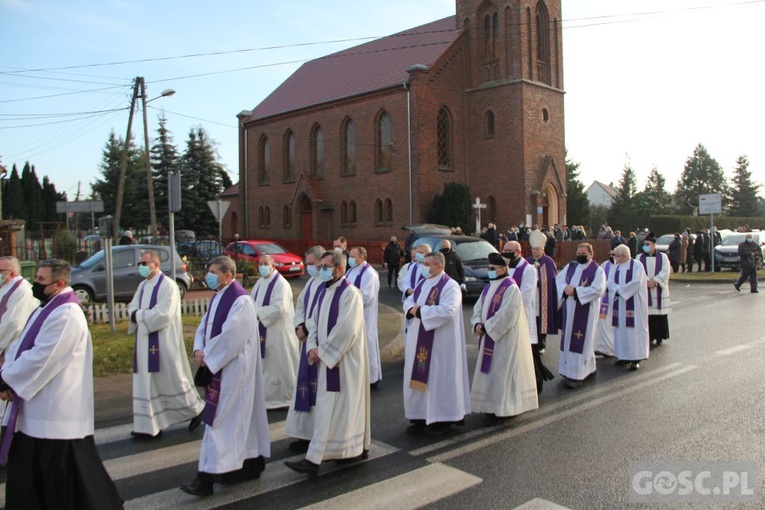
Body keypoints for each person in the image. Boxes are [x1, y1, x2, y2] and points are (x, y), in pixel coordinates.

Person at [0, 259, 122, 509]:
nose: (35, 283)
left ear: (60, 283)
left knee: (66, 483)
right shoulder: (46, 308)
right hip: (36, 409)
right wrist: (5, 371)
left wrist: (7, 379)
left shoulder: (67, 314)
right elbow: (18, 345)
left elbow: (42, 358)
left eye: (42, 280)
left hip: (55, 413)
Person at [181, 256, 270, 496]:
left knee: (219, 421)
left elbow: (232, 338)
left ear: (228, 275)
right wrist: (199, 348)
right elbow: (204, 325)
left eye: (212, 272)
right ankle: (251, 463)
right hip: (219, 366)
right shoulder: (219, 296)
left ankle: (206, 477)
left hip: (233, 371)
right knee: (239, 420)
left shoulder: (241, 301)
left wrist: (208, 356)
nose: (208, 276)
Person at [285, 250, 371, 477]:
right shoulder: (324, 291)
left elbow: (346, 330)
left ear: (339, 269)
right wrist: (312, 347)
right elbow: (312, 322)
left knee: (343, 408)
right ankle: (317, 457)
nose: (321, 270)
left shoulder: (350, 294)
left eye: (325, 266)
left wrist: (322, 352)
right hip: (325, 359)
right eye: (320, 266)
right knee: (326, 408)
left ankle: (347, 450)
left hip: (344, 363)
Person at [128, 250, 204, 439]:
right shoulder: (143, 286)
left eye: (145, 263)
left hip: (163, 341)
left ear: (156, 264)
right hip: (144, 340)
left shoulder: (168, 286)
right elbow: (132, 307)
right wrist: (137, 314)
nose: (142, 267)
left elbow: (163, 314)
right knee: (146, 381)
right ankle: (149, 425)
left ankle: (196, 409)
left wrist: (138, 315)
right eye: (141, 263)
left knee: (172, 378)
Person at [403, 252, 470, 435]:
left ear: (439, 266)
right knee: (420, 376)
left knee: (439, 378)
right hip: (419, 338)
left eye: (427, 264)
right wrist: (411, 309)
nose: (423, 267)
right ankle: (420, 414)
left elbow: (448, 310)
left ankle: (443, 418)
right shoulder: (423, 282)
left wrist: (420, 312)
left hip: (441, 342)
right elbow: (410, 300)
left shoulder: (450, 286)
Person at [471, 253, 538, 426]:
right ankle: (489, 405)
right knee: (490, 372)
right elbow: (478, 307)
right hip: (489, 336)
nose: (489, 271)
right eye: (489, 268)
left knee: (502, 372)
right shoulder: (489, 287)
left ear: (503, 269)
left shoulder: (511, 288)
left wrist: (487, 327)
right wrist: (477, 323)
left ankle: (504, 408)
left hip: (505, 339)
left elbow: (507, 315)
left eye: (492, 268)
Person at [285, 245, 325, 453]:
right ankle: (303, 432)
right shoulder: (311, 283)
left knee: (317, 388)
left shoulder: (328, 284)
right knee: (303, 386)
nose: (308, 267)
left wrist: (309, 331)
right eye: (307, 263)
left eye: (311, 264)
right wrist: (299, 326)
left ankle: (316, 433)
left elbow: (324, 314)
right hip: (306, 340)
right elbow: (299, 306)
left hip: (318, 344)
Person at [251, 254, 299, 409]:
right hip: (262, 330)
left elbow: (280, 308)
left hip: (279, 332)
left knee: (280, 364)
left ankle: (286, 398)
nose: (262, 266)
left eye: (265, 263)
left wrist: (257, 313)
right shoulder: (259, 282)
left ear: (273, 266)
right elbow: (252, 302)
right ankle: (267, 398)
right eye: (260, 263)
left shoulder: (281, 284)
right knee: (267, 365)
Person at [503, 241, 552, 394]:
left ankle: (535, 384)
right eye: (504, 250)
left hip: (521, 315)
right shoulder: (504, 267)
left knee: (528, 353)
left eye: (509, 250)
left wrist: (508, 310)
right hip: (505, 317)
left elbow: (526, 295)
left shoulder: (528, 269)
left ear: (518, 252)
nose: (506, 253)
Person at [555, 243, 606, 388]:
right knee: (567, 340)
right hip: (569, 308)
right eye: (578, 253)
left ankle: (578, 375)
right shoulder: (571, 266)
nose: (580, 256)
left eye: (583, 253)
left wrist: (576, 291)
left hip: (585, 310)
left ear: (591, 254)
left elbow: (598, 289)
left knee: (582, 342)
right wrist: (565, 288)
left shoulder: (597, 270)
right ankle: (568, 370)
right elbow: (559, 280)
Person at [608, 245, 650, 370]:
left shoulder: (637, 266)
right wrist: (617, 290)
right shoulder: (615, 267)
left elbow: (636, 282)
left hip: (634, 304)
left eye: (616, 255)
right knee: (620, 330)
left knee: (633, 331)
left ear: (623, 256)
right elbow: (609, 282)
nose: (614, 257)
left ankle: (635, 358)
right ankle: (623, 356)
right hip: (619, 304)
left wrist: (620, 291)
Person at [346, 246, 383, 387]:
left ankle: (372, 377)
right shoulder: (350, 270)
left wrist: (348, 298)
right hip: (353, 314)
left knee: (368, 343)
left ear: (361, 257)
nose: (350, 258)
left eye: (353, 256)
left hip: (365, 315)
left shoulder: (370, 274)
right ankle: (359, 376)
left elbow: (367, 296)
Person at [0, 256, 39, 366]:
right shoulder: (6, 287)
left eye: (0, 271)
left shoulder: (22, 291)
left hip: (14, 349)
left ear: (12, 273)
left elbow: (12, 324)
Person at [527, 230, 558, 356]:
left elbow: (552, 279)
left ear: (542, 249)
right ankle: (530, 343)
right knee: (531, 319)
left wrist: (539, 280)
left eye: (537, 249)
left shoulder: (549, 261)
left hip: (542, 296)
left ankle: (541, 344)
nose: (535, 251)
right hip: (531, 296)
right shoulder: (528, 261)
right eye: (533, 249)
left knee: (541, 320)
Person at [638, 234, 671, 346]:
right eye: (644, 244)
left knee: (659, 315)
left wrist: (655, 281)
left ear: (654, 245)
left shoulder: (663, 257)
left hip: (658, 289)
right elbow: (639, 272)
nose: (646, 246)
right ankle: (649, 336)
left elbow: (665, 271)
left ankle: (660, 336)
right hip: (646, 288)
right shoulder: (638, 258)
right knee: (648, 315)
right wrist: (647, 281)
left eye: (648, 244)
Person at [594, 252, 616, 358]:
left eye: (614, 254)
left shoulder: (623, 266)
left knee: (613, 325)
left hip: (616, 299)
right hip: (605, 299)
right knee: (603, 324)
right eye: (610, 254)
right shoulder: (605, 265)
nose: (611, 256)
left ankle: (614, 348)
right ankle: (604, 347)